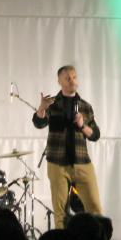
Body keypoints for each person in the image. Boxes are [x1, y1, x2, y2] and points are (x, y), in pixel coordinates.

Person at [32, 65, 102, 228]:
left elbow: (95, 134)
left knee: (95, 210)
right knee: (61, 215)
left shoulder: (85, 106)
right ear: (60, 81)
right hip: (58, 164)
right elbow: (39, 123)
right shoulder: (52, 104)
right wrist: (42, 107)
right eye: (68, 78)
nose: (72, 81)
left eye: (74, 77)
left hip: (82, 162)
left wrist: (82, 125)